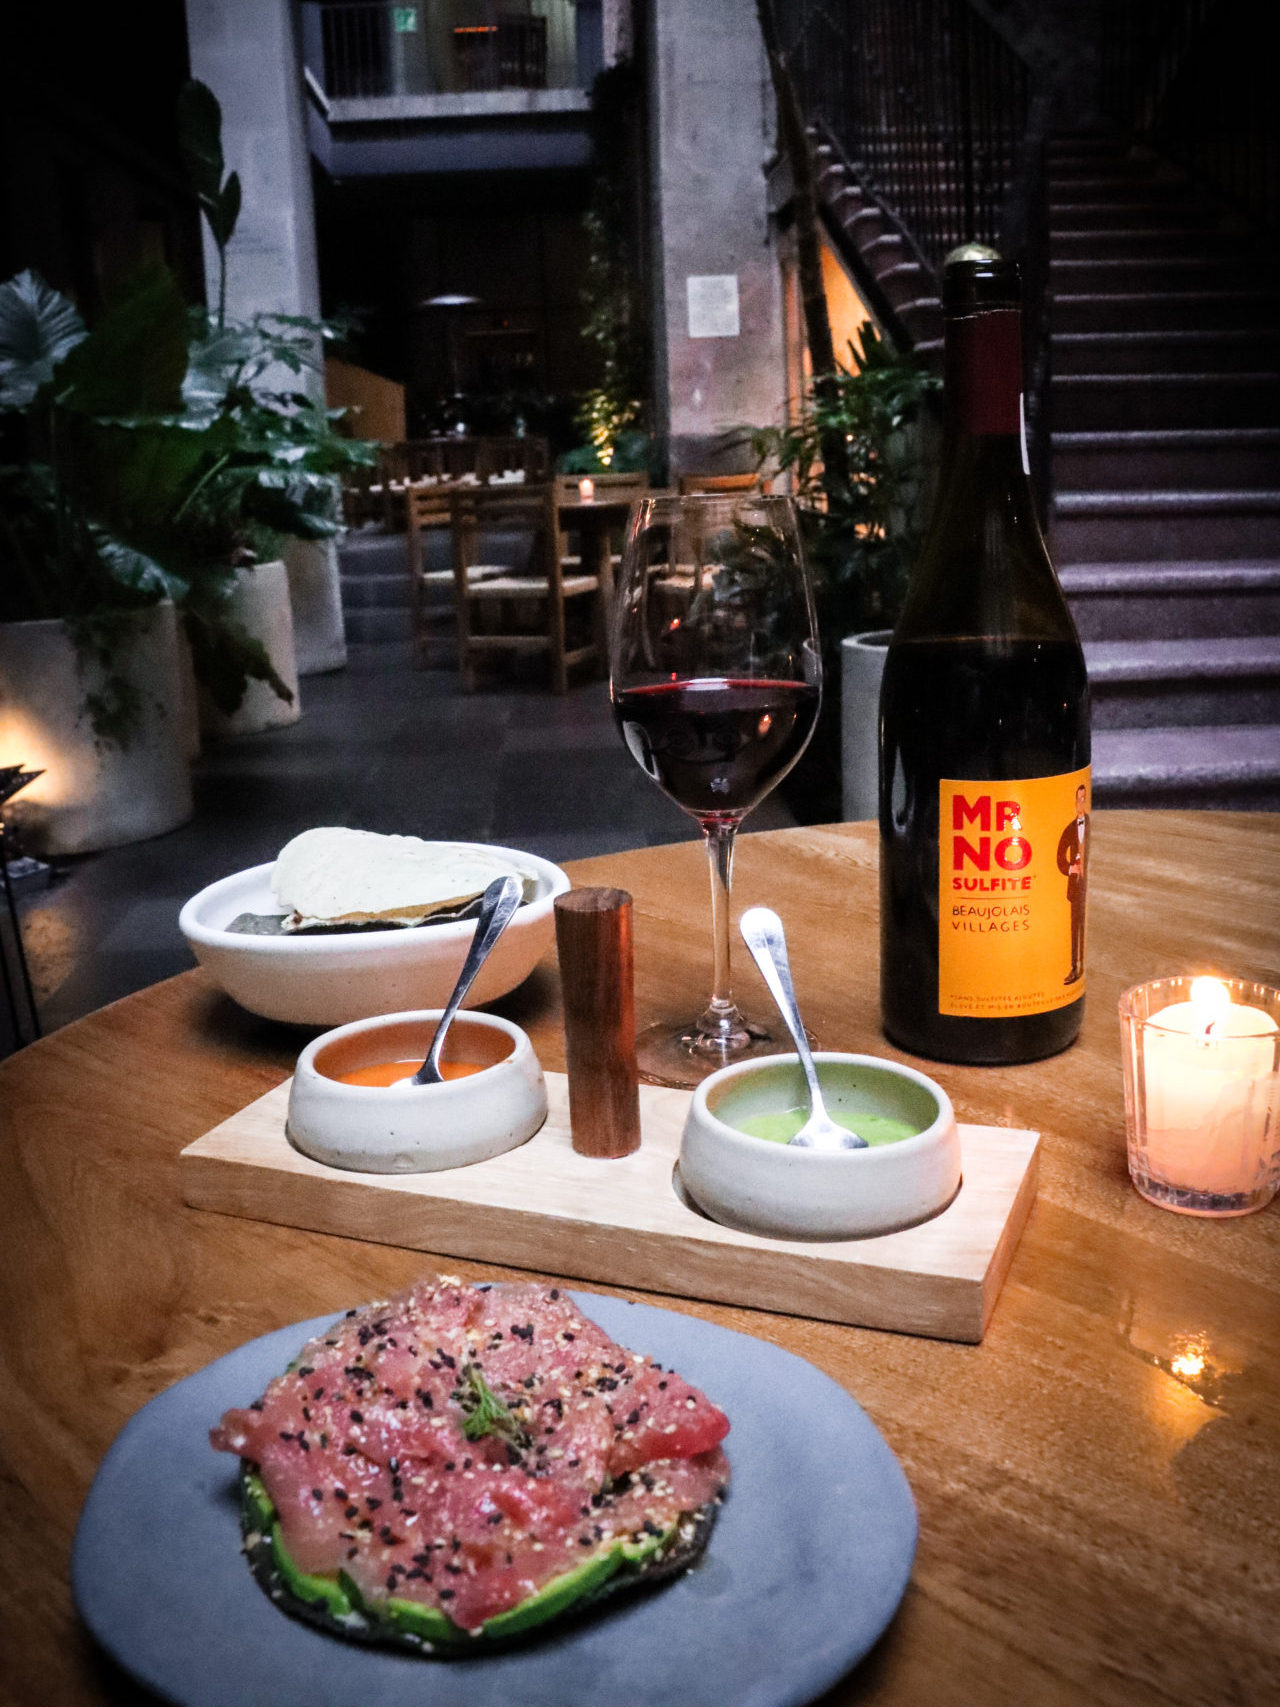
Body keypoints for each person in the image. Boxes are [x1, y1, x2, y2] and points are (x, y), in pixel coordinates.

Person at [1056, 784, 1090, 984]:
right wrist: (1070, 869)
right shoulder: (1070, 828)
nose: (1081, 803)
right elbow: (1059, 855)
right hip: (1076, 887)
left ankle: (1082, 966)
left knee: (1085, 926)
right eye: (1079, 799)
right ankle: (1074, 967)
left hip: (1089, 884)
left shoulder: (1092, 824)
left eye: (1084, 798)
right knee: (1075, 928)